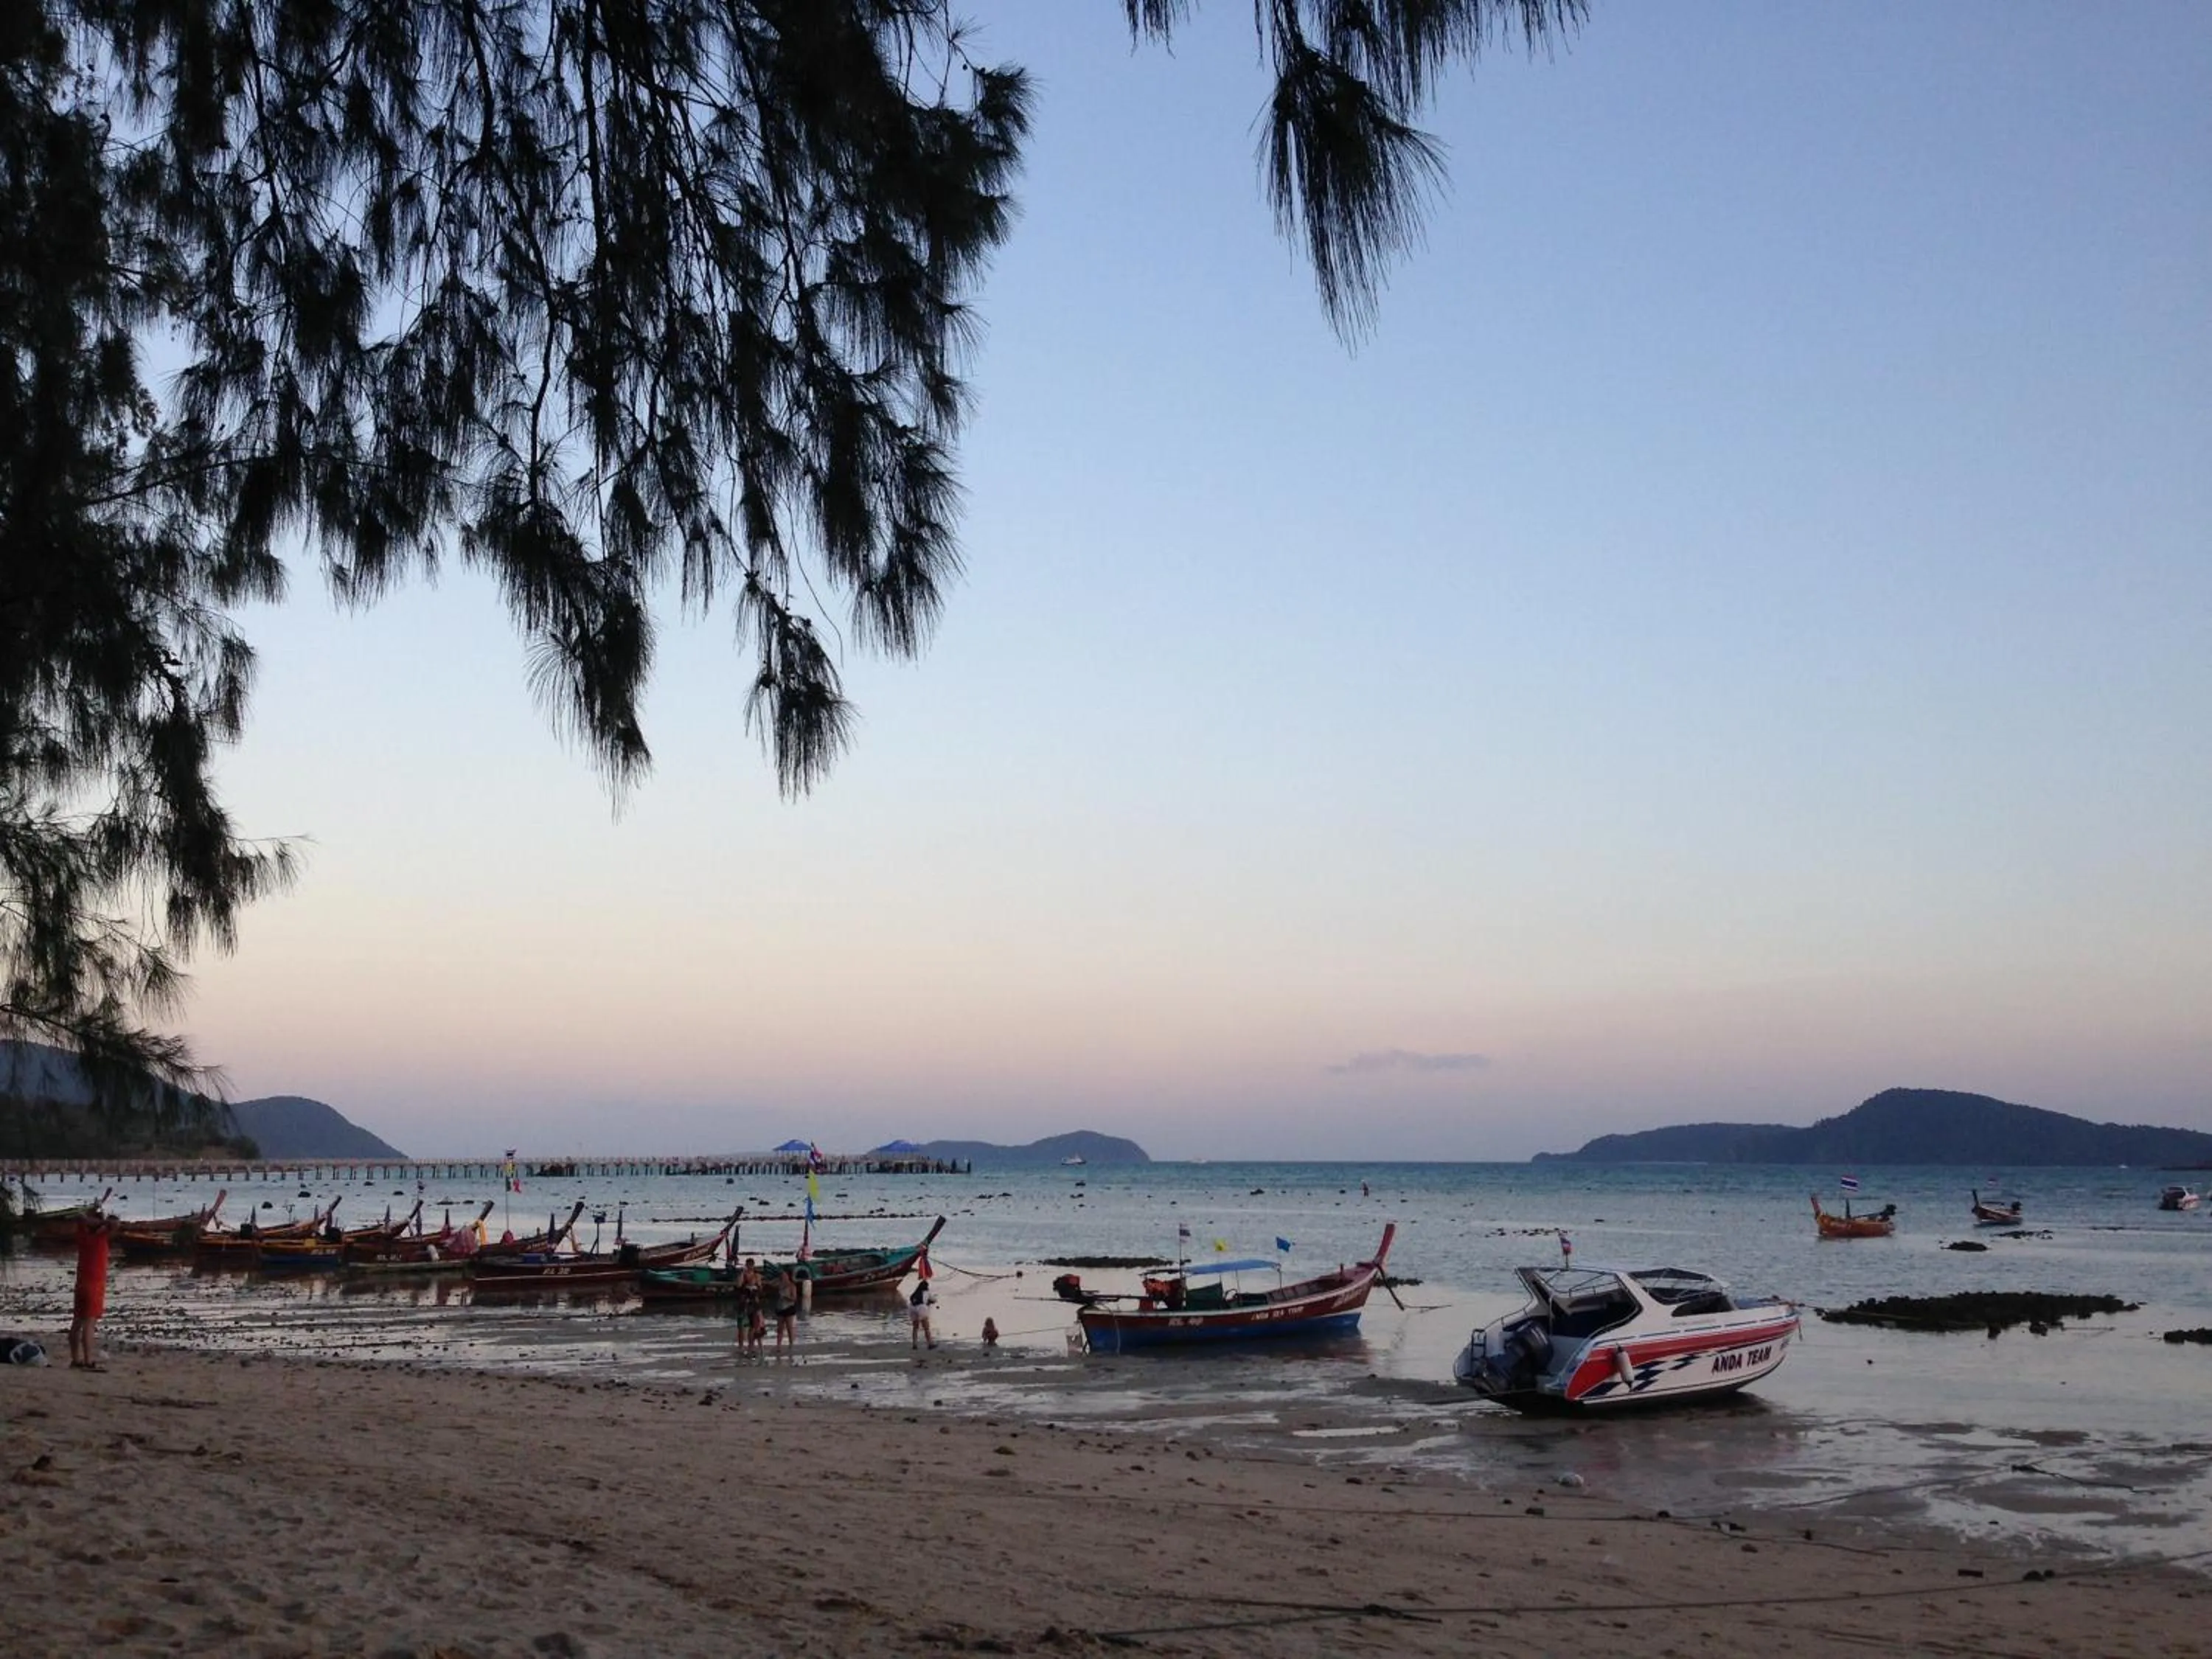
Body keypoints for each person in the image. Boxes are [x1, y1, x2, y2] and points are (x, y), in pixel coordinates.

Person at [69, 1207, 122, 1371]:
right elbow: (115, 1224)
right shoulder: (101, 1236)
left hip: (81, 1284)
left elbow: (80, 1217)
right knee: (89, 1324)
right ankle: (88, 1361)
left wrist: (92, 1215)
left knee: (77, 1322)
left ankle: (75, 1360)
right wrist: (101, 1221)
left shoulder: (83, 1234)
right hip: (94, 1286)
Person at [771, 1269, 799, 1353]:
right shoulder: (779, 1285)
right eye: (782, 1276)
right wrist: (777, 1280)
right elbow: (771, 1284)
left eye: (785, 1276)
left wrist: (786, 1297)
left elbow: (794, 1298)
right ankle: (778, 1345)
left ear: (788, 1277)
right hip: (780, 1308)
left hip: (789, 1307)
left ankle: (791, 1344)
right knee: (780, 1328)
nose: (783, 1278)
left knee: (789, 1327)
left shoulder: (792, 1286)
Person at [908, 1276, 937, 1350]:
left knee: (915, 1327)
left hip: (912, 1308)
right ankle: (930, 1344)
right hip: (921, 1308)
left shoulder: (916, 1292)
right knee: (926, 1327)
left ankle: (914, 1344)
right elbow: (934, 1300)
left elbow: (911, 1300)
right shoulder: (927, 1292)